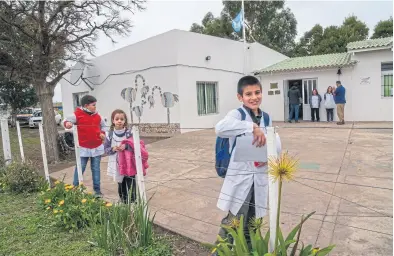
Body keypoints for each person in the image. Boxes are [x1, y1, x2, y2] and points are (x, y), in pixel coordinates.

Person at [214, 76, 282, 252]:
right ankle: (221, 252)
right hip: (241, 177)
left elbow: (272, 142)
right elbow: (220, 128)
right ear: (240, 97)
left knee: (254, 222)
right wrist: (252, 127)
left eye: (257, 92)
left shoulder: (266, 117)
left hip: (259, 176)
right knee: (234, 219)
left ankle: (251, 252)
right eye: (248, 94)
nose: (254, 97)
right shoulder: (237, 114)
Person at [64, 95, 107, 197]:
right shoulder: (77, 114)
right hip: (83, 147)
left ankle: (97, 190)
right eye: (93, 105)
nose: (95, 107)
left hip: (96, 146)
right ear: (86, 105)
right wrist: (68, 124)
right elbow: (65, 121)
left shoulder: (98, 116)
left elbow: (104, 126)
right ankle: (75, 188)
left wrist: (103, 134)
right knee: (80, 167)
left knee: (96, 168)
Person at [104, 109, 149, 203]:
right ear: (113, 120)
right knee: (121, 182)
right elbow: (106, 149)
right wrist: (113, 149)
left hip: (129, 163)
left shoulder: (129, 133)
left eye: (121, 119)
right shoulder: (109, 135)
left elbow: (136, 145)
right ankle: (123, 200)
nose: (119, 121)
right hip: (117, 164)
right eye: (117, 119)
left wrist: (126, 146)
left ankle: (133, 200)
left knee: (131, 181)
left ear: (125, 121)